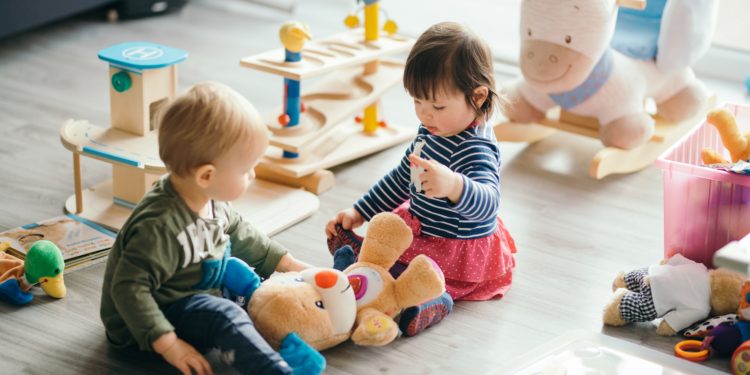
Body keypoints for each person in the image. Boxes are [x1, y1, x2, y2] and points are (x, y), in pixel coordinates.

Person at [100, 82, 323, 375]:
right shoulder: (160, 228)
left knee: (245, 278)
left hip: (193, 289)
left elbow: (241, 232)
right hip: (145, 324)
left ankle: (284, 335)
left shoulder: (208, 198)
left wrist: (292, 266)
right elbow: (129, 289)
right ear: (206, 175)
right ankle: (274, 370)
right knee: (227, 315)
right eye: (246, 170)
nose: (253, 175)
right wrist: (169, 344)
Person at [326, 22, 517, 336]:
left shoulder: (476, 148)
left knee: (421, 276)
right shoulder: (432, 129)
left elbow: (489, 204)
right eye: (417, 102)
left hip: (456, 247)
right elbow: (403, 177)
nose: (425, 115)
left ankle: (431, 303)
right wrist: (360, 211)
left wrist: (454, 185)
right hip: (422, 227)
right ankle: (359, 265)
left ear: (478, 97)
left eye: (437, 106)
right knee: (389, 244)